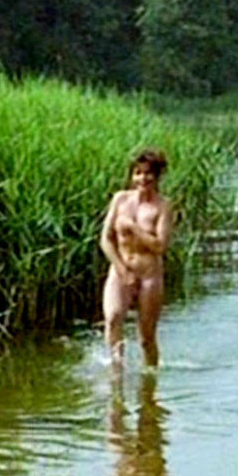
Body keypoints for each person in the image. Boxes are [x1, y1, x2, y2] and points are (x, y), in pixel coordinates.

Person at [100, 149, 174, 368]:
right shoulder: (120, 199)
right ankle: (116, 370)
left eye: (148, 173)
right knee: (113, 318)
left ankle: (150, 377)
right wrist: (121, 269)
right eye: (138, 173)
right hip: (121, 270)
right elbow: (105, 239)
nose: (143, 178)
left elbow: (160, 246)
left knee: (146, 337)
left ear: (157, 176)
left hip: (149, 276)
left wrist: (133, 228)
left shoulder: (163, 206)